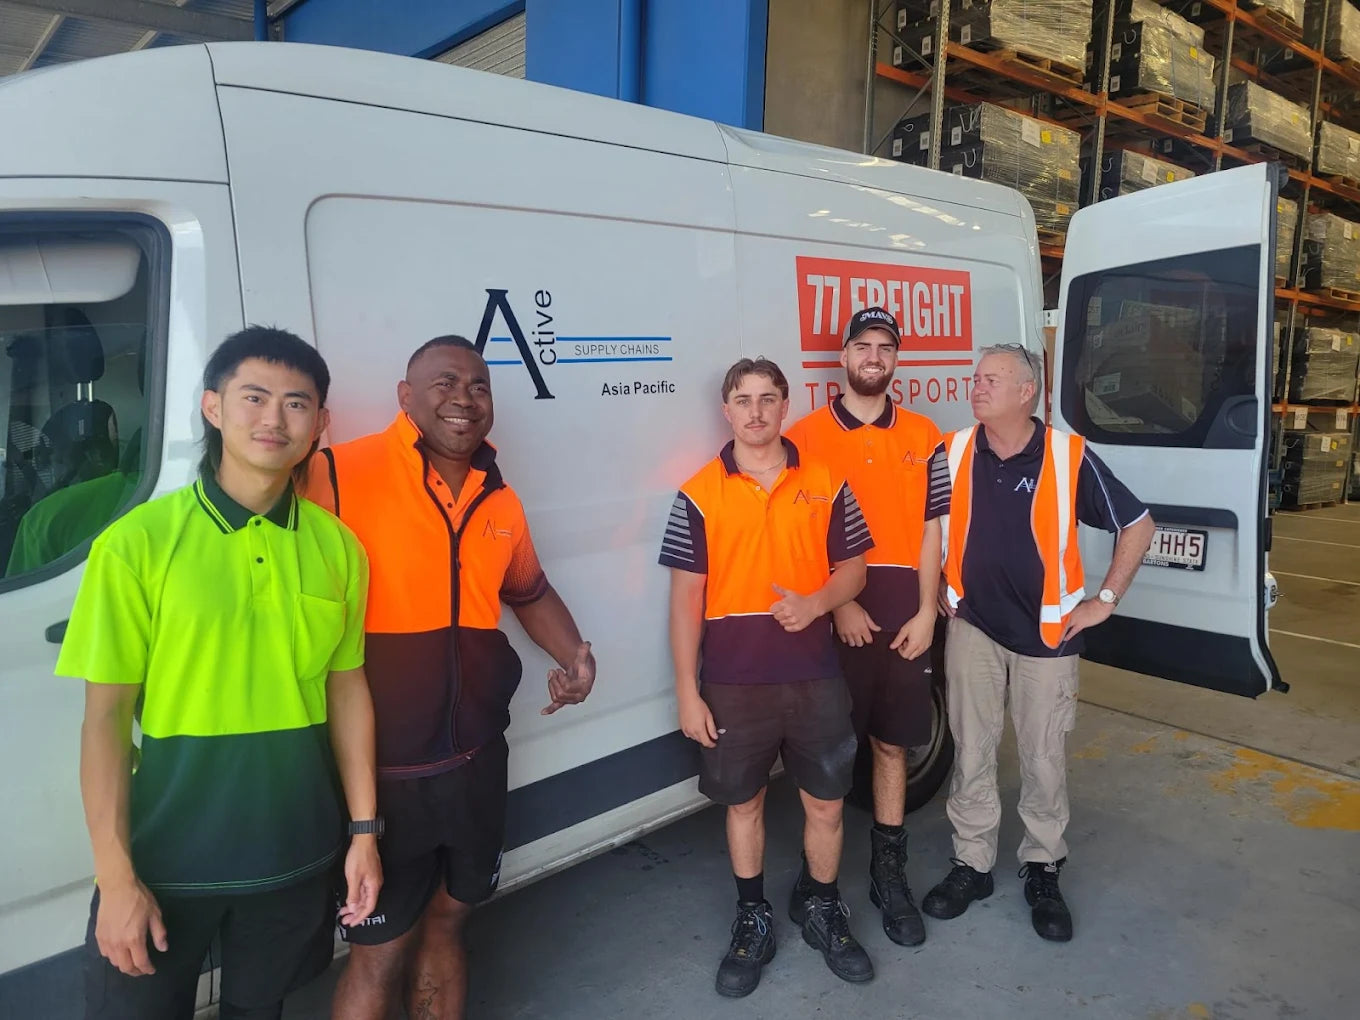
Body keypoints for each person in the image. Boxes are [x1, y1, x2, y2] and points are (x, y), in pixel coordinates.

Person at [59, 326, 381, 1020]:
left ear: (320, 423)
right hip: (164, 863)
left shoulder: (340, 549)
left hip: (296, 856)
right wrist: (116, 879)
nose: (274, 419)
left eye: (297, 403)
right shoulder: (136, 545)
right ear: (213, 407)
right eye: (254, 397)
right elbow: (105, 720)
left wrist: (363, 833)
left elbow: (347, 689)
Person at [303, 335, 596, 1020]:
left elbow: (528, 590)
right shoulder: (334, 474)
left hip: (475, 764)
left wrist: (576, 657)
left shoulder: (500, 499)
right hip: (384, 775)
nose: (464, 398)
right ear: (405, 396)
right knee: (378, 950)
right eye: (445, 383)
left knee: (448, 922)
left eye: (478, 386)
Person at [919, 343, 1154, 942]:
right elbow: (931, 529)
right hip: (973, 628)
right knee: (971, 750)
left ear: (1028, 393)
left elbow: (1138, 524)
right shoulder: (951, 451)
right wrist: (936, 590)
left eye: (992, 380)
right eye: (976, 378)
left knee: (1043, 757)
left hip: (1047, 637)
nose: (977, 388)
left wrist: (1105, 599)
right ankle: (971, 864)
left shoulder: (1068, 456)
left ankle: (1043, 866)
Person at [661, 356, 875, 998]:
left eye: (767, 398)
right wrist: (686, 690)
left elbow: (855, 570)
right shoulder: (698, 493)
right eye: (743, 400)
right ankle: (752, 917)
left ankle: (824, 908)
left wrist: (816, 603)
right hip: (733, 682)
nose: (755, 411)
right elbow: (685, 599)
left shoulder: (827, 480)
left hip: (814, 676)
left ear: (786, 406)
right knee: (744, 804)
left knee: (826, 803)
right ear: (726, 411)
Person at [784, 306, 942, 948]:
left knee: (892, 746)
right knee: (828, 750)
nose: (874, 357)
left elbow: (932, 530)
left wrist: (927, 611)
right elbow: (797, 535)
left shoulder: (926, 434)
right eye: (863, 346)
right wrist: (838, 603)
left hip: (906, 608)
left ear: (895, 359)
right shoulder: (804, 436)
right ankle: (815, 874)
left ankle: (888, 874)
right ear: (843, 356)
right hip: (835, 613)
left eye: (885, 347)